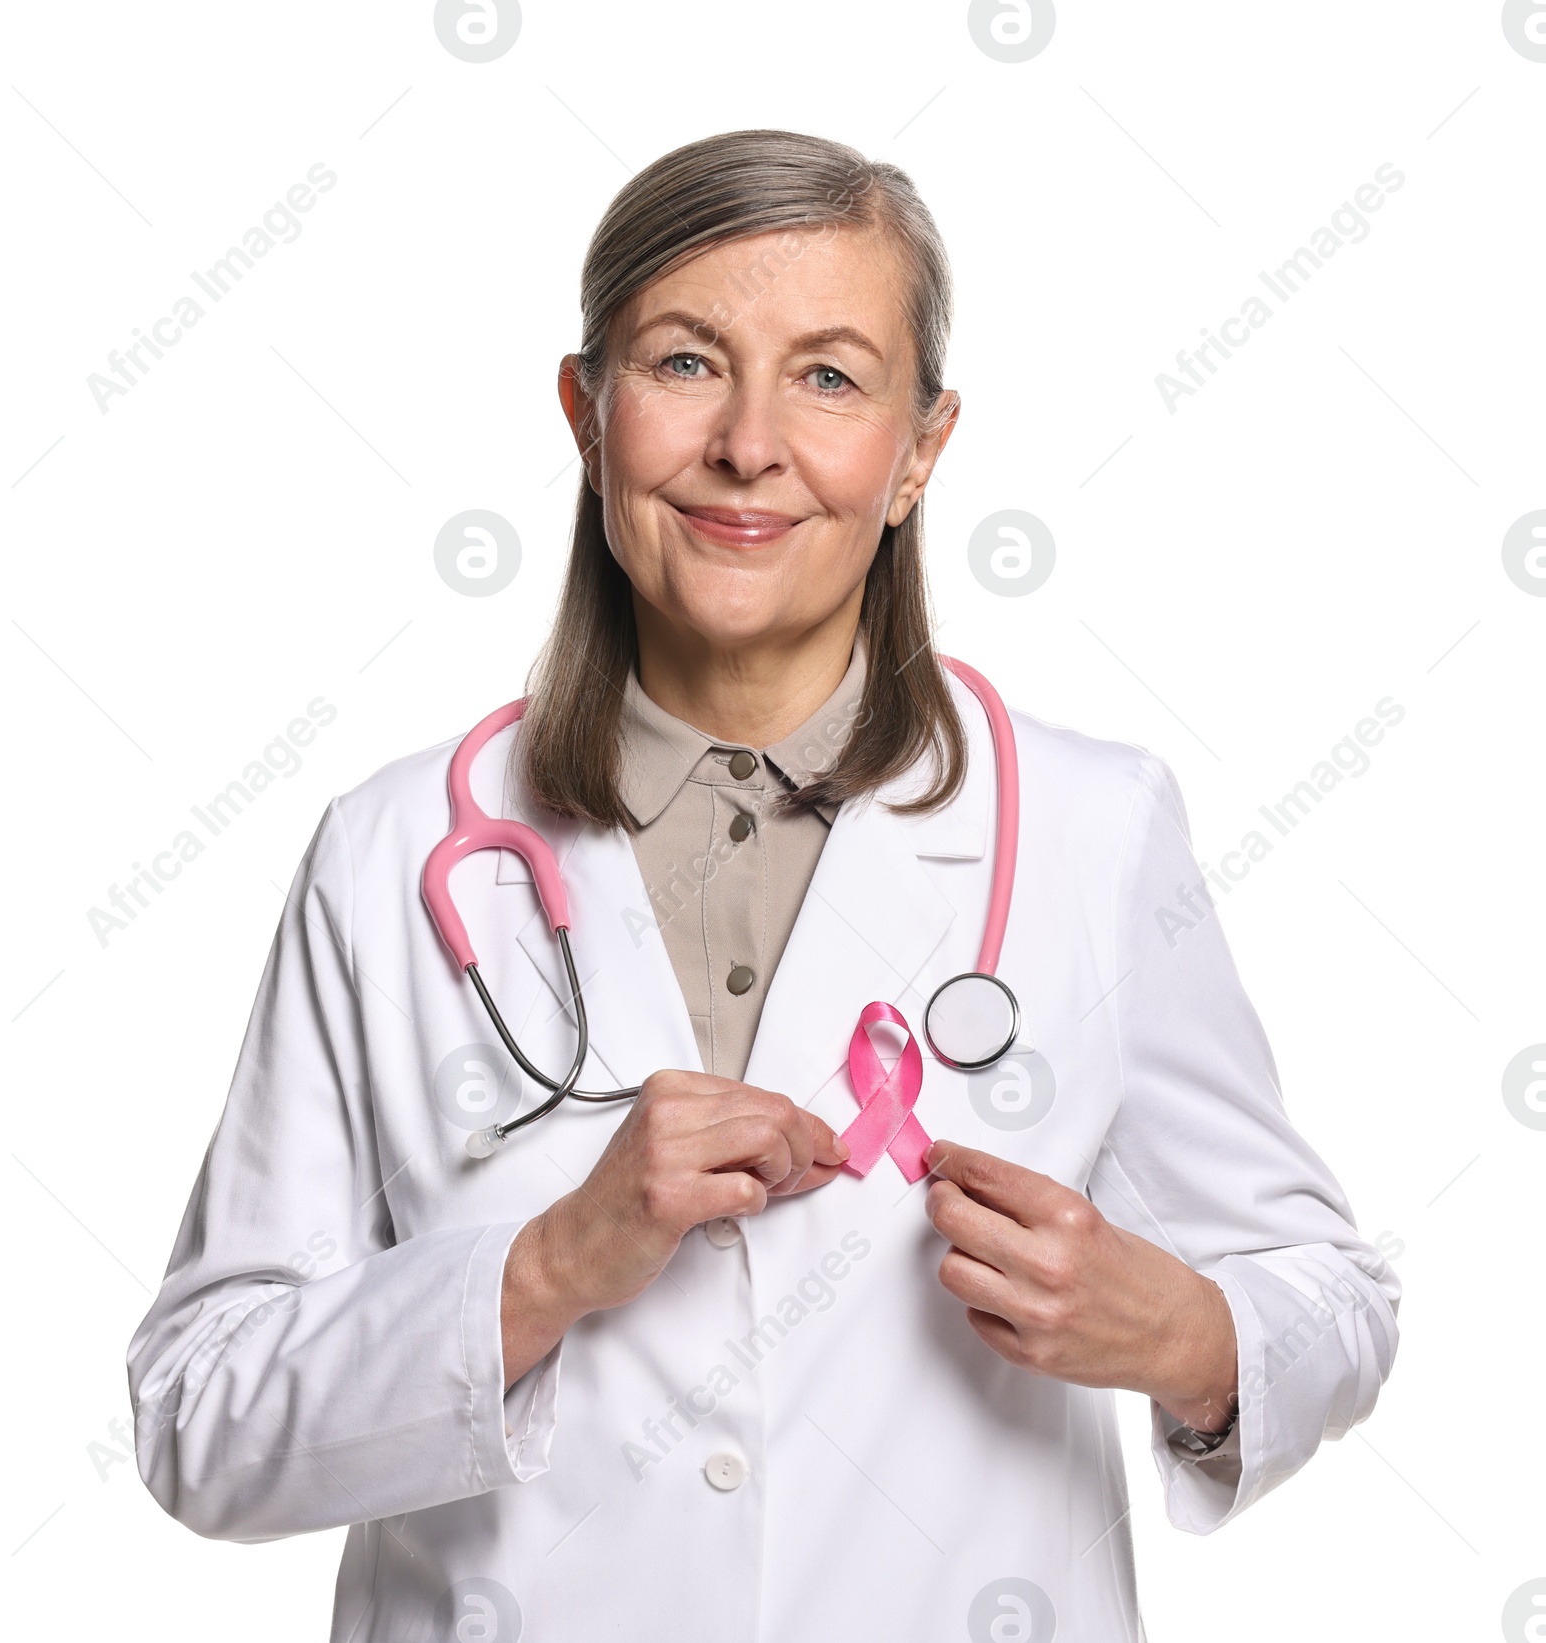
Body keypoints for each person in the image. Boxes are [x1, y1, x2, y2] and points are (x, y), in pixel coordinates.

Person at [127, 129, 1399, 1643]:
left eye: (831, 377)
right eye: (683, 363)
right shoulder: (390, 853)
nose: (748, 444)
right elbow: (198, 1415)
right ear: (586, 413)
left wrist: (1193, 1334)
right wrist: (537, 1276)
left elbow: (1336, 1298)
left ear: (921, 450)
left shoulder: (1092, 828)